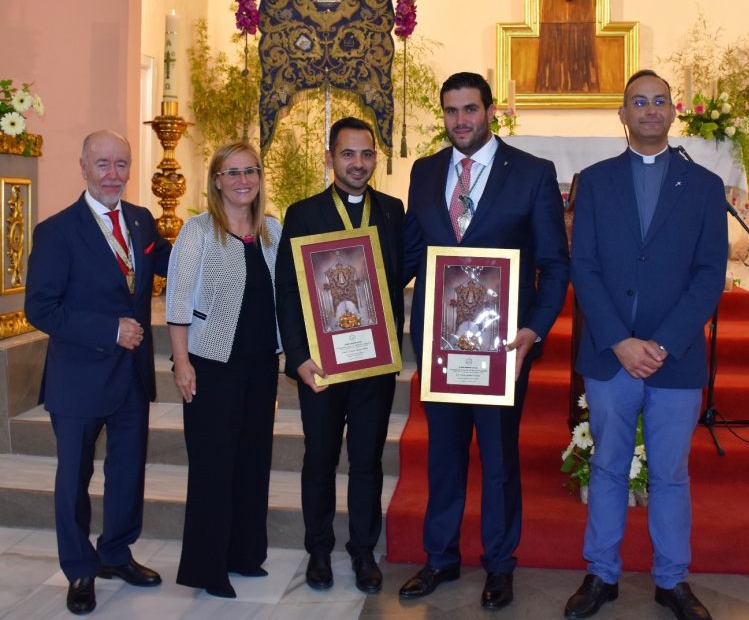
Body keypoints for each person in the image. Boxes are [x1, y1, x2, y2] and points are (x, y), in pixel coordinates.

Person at [399, 72, 570, 611]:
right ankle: (441, 560)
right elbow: (409, 255)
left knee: (498, 463)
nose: (460, 121)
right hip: (441, 346)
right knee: (443, 459)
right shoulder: (424, 173)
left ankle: (500, 565)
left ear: (490, 111)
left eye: (470, 110)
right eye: (451, 111)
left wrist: (534, 330)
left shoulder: (533, 174)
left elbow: (555, 264)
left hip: (501, 352)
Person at [564, 70, 727, 620]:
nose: (650, 110)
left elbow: (709, 274)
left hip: (674, 357)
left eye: (659, 101)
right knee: (608, 465)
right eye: (640, 101)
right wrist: (618, 341)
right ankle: (601, 574)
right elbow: (582, 267)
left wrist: (660, 342)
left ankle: (672, 580)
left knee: (671, 473)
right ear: (623, 113)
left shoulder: (704, 186)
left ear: (672, 112)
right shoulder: (595, 180)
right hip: (611, 355)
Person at [25, 129, 171, 615]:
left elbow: (176, 263)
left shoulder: (142, 221)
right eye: (103, 164)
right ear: (83, 167)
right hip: (79, 377)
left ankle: (115, 553)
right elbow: (41, 309)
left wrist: (230, 233)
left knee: (128, 473)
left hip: (131, 377)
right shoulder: (56, 231)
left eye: (122, 164)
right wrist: (109, 330)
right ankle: (80, 570)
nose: (113, 174)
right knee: (74, 482)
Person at [275, 116, 404, 594]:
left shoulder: (392, 210)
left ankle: (364, 551)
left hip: (374, 364)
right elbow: (287, 290)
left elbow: (398, 277)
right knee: (321, 457)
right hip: (322, 365)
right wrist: (299, 356)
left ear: (376, 158)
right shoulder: (303, 214)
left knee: (367, 459)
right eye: (347, 154)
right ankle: (319, 550)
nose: (358, 163)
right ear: (329, 158)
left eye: (366, 154)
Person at [166, 141, 282, 599]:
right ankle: (206, 568)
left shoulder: (273, 230)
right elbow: (176, 301)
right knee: (214, 467)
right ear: (216, 180)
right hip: (212, 365)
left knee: (254, 462)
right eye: (232, 172)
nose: (242, 180)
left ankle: (244, 555)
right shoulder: (198, 231)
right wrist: (181, 363)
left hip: (260, 365)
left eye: (250, 171)